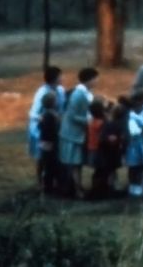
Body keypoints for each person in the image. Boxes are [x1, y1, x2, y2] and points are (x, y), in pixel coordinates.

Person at [59, 67, 99, 197]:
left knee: (78, 163)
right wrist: (89, 121)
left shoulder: (86, 93)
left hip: (78, 134)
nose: (96, 81)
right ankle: (76, 189)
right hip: (72, 134)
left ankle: (77, 187)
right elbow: (73, 115)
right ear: (89, 80)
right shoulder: (79, 95)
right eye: (95, 79)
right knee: (74, 163)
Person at [27, 65, 65, 185]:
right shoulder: (42, 92)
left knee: (55, 155)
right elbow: (33, 113)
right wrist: (44, 118)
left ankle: (54, 179)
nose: (62, 78)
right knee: (42, 157)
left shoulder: (60, 90)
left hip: (55, 126)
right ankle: (41, 181)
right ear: (54, 78)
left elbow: (62, 107)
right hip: (42, 128)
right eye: (60, 76)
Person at [91, 101, 124, 199]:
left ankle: (101, 191)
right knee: (111, 172)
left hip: (106, 153)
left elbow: (102, 138)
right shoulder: (118, 124)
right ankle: (110, 189)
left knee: (102, 172)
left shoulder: (108, 124)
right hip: (113, 153)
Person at [125, 90, 143, 197]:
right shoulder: (131, 114)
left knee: (142, 165)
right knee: (134, 165)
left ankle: (140, 186)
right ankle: (133, 186)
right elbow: (133, 131)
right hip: (134, 143)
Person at [36, 92, 61, 194]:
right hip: (52, 143)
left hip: (43, 142)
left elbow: (39, 127)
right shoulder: (54, 116)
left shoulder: (43, 115)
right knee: (51, 164)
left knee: (43, 163)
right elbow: (56, 130)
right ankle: (49, 186)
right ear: (54, 103)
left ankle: (43, 184)